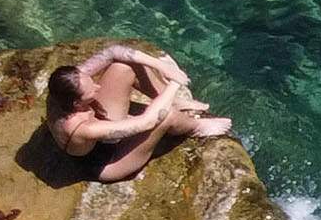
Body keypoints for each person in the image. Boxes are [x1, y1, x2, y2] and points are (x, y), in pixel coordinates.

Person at [44, 41, 234, 182]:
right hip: (107, 163)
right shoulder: (82, 129)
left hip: (101, 133)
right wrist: (175, 84)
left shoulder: (60, 90)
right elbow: (148, 122)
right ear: (77, 103)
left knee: (123, 67)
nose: (97, 86)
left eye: (91, 80)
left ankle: (175, 101)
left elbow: (113, 52)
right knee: (166, 115)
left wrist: (163, 68)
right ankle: (196, 127)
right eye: (91, 89)